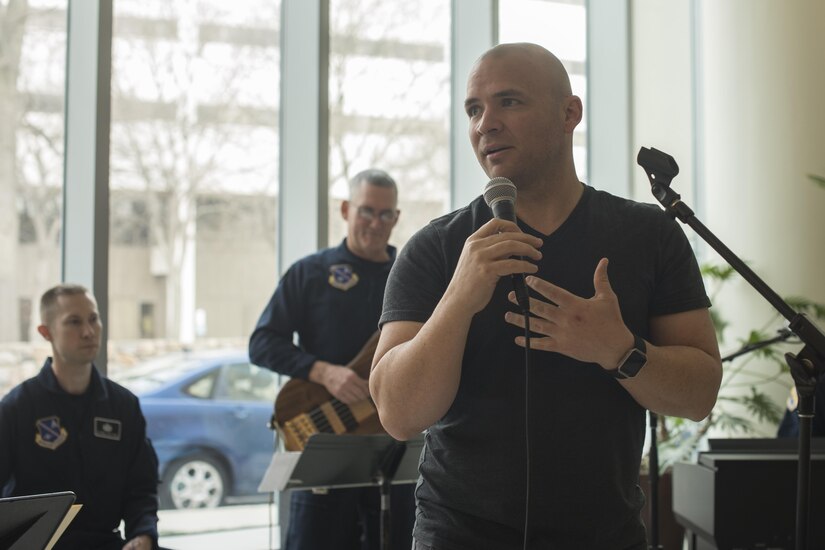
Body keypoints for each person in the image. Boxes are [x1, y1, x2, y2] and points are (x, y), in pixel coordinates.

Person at [369, 43, 723, 549]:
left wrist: (619, 351)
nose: (484, 124)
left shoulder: (648, 235)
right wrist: (459, 298)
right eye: (474, 109)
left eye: (508, 102)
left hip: (606, 535)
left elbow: (699, 394)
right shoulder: (439, 246)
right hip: (459, 535)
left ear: (569, 113)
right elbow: (397, 414)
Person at [249, 168, 415, 550]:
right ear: (345, 210)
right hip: (323, 444)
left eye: (385, 214)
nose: (376, 223)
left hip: (392, 449)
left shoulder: (412, 275)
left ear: (396, 218)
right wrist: (323, 372)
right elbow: (262, 342)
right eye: (366, 211)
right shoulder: (310, 273)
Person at [0, 284, 160, 550]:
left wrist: (142, 535)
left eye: (93, 319)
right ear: (46, 332)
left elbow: (141, 489)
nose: (88, 331)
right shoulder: (17, 407)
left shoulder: (123, 406)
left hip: (105, 542)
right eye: (74, 322)